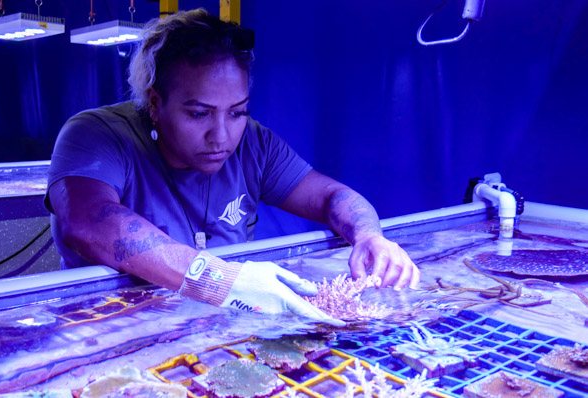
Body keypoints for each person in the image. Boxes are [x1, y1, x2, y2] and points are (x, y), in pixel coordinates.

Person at [45, 9, 419, 326]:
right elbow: (87, 219)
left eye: (238, 111)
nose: (221, 136)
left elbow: (331, 195)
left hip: (221, 323)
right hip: (109, 324)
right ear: (156, 104)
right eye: (198, 113)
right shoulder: (96, 133)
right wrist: (219, 280)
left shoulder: (254, 142)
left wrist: (370, 236)